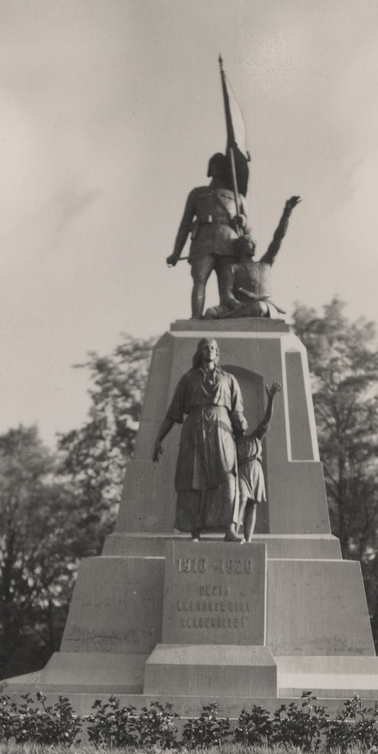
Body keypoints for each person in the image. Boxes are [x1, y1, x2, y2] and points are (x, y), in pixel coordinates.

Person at [152, 338, 244, 541]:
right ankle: (195, 532)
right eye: (205, 347)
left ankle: (230, 530)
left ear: (217, 352)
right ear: (200, 352)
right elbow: (173, 413)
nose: (209, 350)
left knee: (228, 476)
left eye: (213, 348)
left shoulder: (229, 379)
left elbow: (237, 411)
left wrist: (242, 427)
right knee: (193, 477)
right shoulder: (188, 379)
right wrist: (159, 438)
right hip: (194, 429)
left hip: (222, 429)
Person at [166, 153, 248, 320]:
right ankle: (196, 318)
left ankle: (225, 317)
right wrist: (176, 252)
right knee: (199, 280)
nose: (217, 168)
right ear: (209, 169)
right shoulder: (197, 194)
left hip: (229, 244)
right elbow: (184, 225)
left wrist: (243, 222)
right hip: (203, 242)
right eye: (214, 165)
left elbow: (248, 230)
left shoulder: (237, 197)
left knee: (227, 287)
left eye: (221, 165)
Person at [204, 196, 300, 320]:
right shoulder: (232, 268)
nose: (254, 246)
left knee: (259, 307)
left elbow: (278, 239)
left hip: (263, 306)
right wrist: (236, 304)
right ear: (240, 246)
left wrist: (287, 214)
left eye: (255, 243)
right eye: (250, 243)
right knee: (210, 313)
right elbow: (227, 294)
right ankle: (228, 319)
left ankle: (227, 319)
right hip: (239, 306)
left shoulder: (265, 264)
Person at [234, 382, 281, 542]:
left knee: (252, 505)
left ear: (247, 425)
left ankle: (248, 539)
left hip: (255, 471)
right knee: (241, 498)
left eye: (242, 420)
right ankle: (233, 534)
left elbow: (267, 419)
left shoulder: (255, 437)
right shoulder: (231, 442)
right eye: (237, 421)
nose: (240, 422)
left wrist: (271, 399)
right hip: (241, 471)